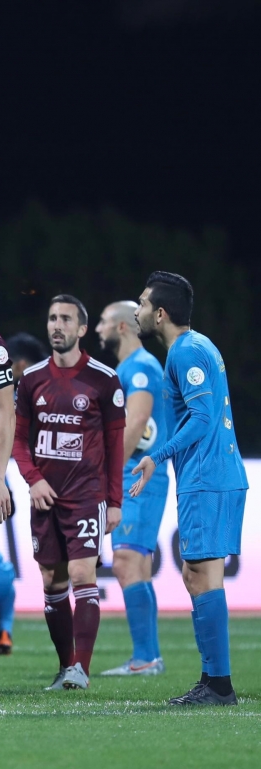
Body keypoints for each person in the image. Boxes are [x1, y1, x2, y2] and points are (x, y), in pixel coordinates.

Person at [131, 271, 247, 706]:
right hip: (213, 475)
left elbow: (200, 419)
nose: (138, 310)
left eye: (142, 303)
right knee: (198, 575)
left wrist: (156, 456)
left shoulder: (185, 352)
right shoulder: (196, 346)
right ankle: (215, 681)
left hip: (208, 477)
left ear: (160, 314)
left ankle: (218, 685)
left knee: (200, 576)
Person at [12, 294, 125, 691]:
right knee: (51, 581)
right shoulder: (31, 380)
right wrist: (33, 478)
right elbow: (18, 439)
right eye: (52, 318)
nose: (56, 325)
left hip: (86, 495)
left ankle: (82, 668)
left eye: (65, 319)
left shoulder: (104, 380)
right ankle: (66, 667)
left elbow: (115, 446)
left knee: (81, 573)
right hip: (45, 496)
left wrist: (114, 502)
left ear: (80, 329)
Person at [95, 301, 168, 676]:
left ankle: (145, 658)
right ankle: (148, 657)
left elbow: (137, 421)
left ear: (122, 327)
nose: (97, 329)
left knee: (126, 562)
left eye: (104, 322)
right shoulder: (129, 368)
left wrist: (110, 476)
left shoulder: (139, 367)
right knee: (134, 563)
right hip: (138, 475)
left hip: (135, 476)